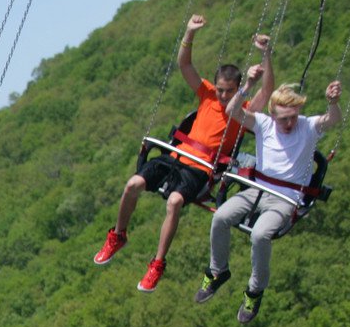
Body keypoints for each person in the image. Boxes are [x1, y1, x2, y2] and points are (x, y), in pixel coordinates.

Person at [94, 17, 262, 292]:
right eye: (219, 89)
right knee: (133, 184)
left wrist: (261, 72)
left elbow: (261, 96)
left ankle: (157, 264)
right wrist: (189, 33)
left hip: (201, 169)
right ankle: (118, 235)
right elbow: (185, 65)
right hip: (177, 155)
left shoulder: (241, 108)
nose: (221, 95)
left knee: (173, 202)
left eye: (228, 91)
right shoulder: (207, 94)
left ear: (238, 89)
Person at [197, 34, 343, 323]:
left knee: (261, 234)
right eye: (282, 118)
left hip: (285, 199)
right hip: (256, 189)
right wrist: (248, 85)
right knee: (220, 217)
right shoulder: (263, 123)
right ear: (272, 114)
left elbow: (332, 120)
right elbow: (232, 110)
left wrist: (333, 103)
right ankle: (217, 270)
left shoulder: (307, 126)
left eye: (292, 117)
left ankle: (254, 290)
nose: (288, 124)